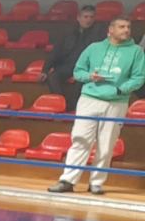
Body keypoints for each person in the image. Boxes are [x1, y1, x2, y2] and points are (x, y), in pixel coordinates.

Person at [49, 16, 145, 196]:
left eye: (128, 27)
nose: (126, 30)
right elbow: (78, 71)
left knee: (107, 144)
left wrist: (121, 89)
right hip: (89, 99)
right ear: (111, 30)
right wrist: (90, 77)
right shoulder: (93, 48)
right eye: (122, 27)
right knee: (80, 140)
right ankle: (67, 180)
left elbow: (139, 77)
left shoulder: (136, 52)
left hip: (117, 102)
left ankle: (96, 183)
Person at [45, 4, 106, 110]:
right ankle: (62, 103)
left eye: (91, 17)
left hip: (86, 67)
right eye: (86, 17)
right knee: (52, 76)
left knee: (82, 79)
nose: (88, 20)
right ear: (78, 18)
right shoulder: (68, 32)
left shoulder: (99, 34)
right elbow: (56, 51)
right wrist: (45, 70)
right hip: (68, 66)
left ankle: (74, 107)